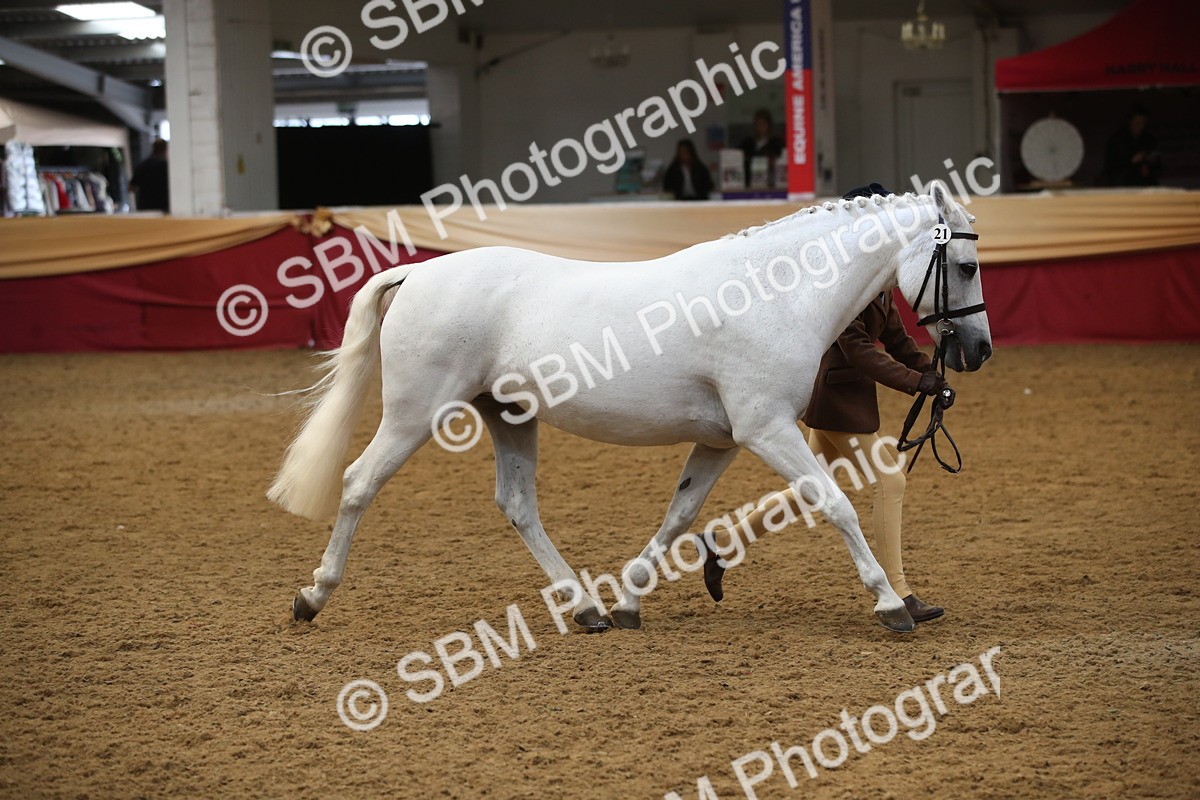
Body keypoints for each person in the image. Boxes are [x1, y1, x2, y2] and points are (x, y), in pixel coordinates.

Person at [704, 183, 950, 623]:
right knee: (891, 481)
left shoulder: (877, 281)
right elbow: (859, 350)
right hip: (838, 400)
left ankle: (726, 544)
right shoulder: (842, 283)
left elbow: (894, 336)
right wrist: (916, 383)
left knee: (806, 491)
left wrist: (931, 373)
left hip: (844, 401)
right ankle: (897, 588)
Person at [1103, 107, 1160, 187]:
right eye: (1137, 122)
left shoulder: (1149, 139)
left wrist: (1150, 160)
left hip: (1147, 186)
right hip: (1125, 186)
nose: (1140, 126)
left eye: (1143, 123)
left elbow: (1157, 164)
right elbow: (1111, 167)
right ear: (1129, 121)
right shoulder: (1118, 140)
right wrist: (1131, 160)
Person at [739, 108, 784, 186]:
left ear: (769, 125)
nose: (761, 127)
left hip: (771, 183)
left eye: (763, 123)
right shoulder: (748, 143)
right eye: (758, 123)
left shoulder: (776, 143)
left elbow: (780, 162)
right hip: (750, 183)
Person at [130, 139, 169, 212]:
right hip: (163, 208)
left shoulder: (143, 164)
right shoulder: (166, 165)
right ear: (165, 149)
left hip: (144, 208)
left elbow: (131, 188)